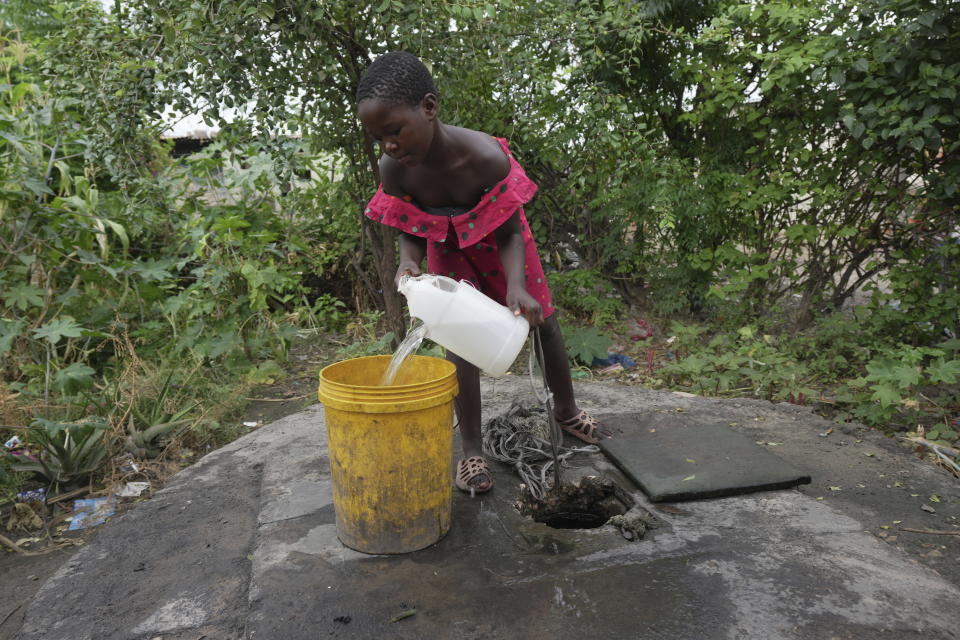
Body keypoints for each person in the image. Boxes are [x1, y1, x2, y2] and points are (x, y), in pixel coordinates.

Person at [356, 51, 611, 495]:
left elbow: (512, 231)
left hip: (503, 243)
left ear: (429, 108)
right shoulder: (394, 169)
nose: (389, 146)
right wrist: (409, 261)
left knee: (544, 325)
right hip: (448, 245)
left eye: (394, 131)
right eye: (379, 138)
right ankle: (472, 449)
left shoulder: (484, 157)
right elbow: (407, 226)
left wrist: (516, 288)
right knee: (462, 344)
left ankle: (566, 411)